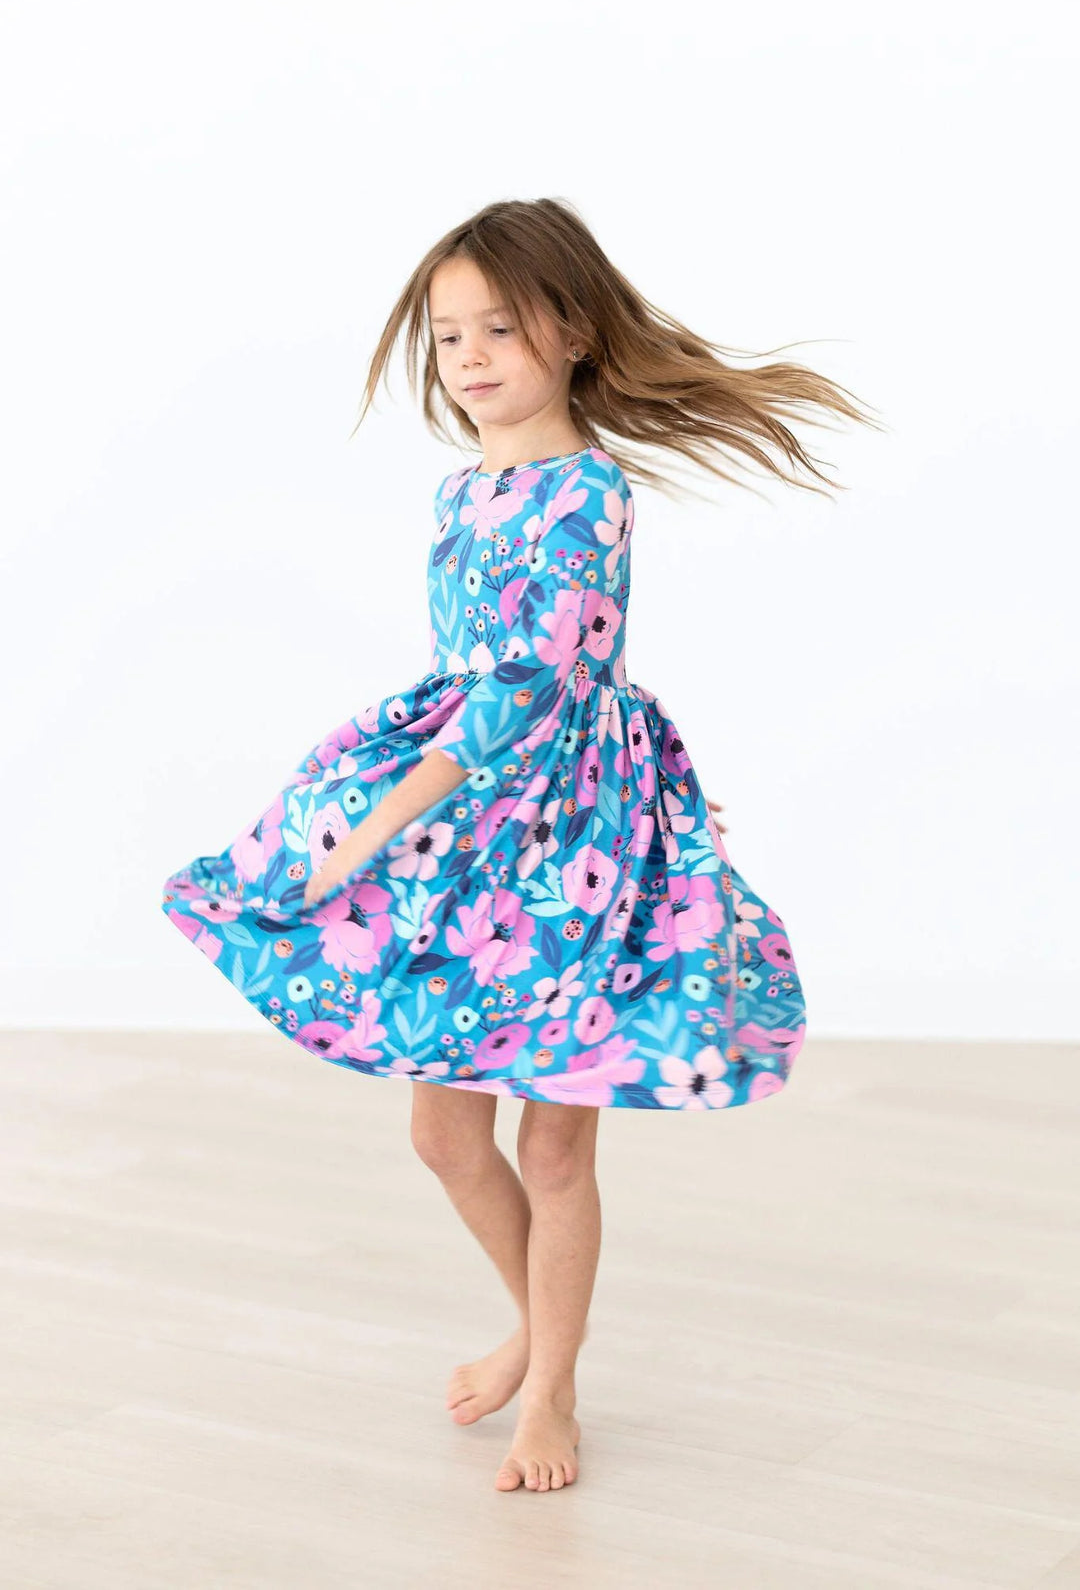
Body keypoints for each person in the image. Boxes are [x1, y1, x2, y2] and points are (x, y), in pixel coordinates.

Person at [161, 196, 877, 1495]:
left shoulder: (586, 493)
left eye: (501, 328)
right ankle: (543, 1338)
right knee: (444, 1136)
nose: (472, 357)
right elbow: (470, 678)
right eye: (449, 337)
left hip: (569, 842)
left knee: (553, 1147)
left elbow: (531, 687)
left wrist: (383, 822)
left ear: (576, 333)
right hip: (477, 833)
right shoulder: (464, 490)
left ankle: (551, 1388)